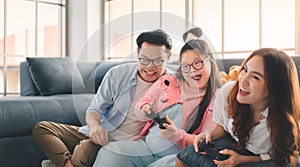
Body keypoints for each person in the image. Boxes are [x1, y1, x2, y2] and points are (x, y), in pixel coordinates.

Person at [32, 29, 173, 167]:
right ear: (137, 53)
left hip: (120, 146)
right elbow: (94, 110)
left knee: (85, 150)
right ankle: (67, 164)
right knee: (42, 128)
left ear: (168, 57)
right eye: (145, 59)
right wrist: (94, 127)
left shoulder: (174, 84)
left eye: (157, 61)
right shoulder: (117, 74)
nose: (150, 66)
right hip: (97, 133)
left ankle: (56, 163)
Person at [92, 36, 221, 167]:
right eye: (186, 66)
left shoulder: (217, 99)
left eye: (198, 63)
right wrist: (144, 110)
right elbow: (141, 105)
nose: (192, 70)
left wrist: (177, 136)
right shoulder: (167, 82)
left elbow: (205, 141)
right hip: (145, 148)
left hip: (174, 157)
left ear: (209, 60)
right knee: (111, 152)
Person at [176, 48, 300, 167]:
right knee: (184, 156)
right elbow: (221, 126)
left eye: (255, 77)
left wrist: (241, 160)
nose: (243, 80)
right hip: (236, 143)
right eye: (245, 70)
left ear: (275, 88)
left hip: (267, 157)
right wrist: (209, 134)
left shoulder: (284, 123)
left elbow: (282, 156)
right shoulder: (227, 92)